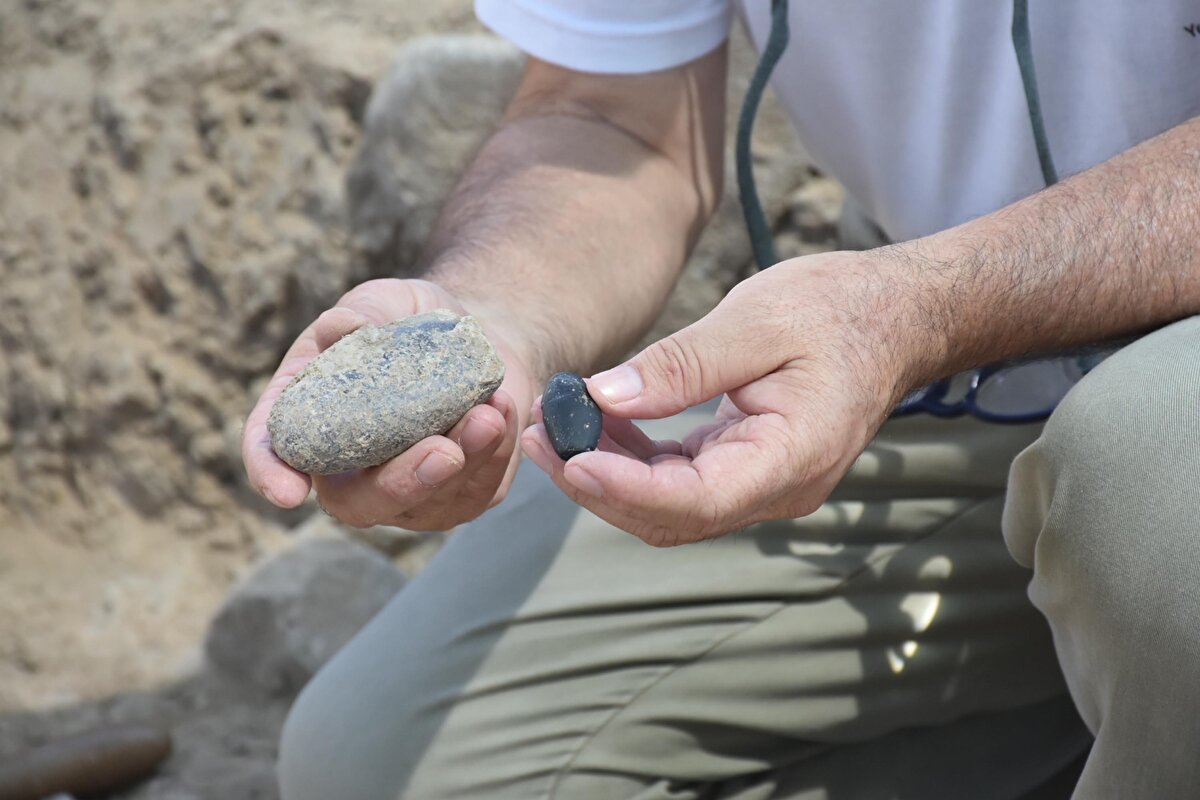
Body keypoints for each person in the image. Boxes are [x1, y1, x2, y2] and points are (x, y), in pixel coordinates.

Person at [242, 2, 1200, 797]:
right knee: (384, 765)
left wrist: (924, 306)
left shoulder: (922, 310)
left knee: (1141, 482)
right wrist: (493, 322)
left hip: (1059, 337)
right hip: (939, 359)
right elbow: (614, 116)